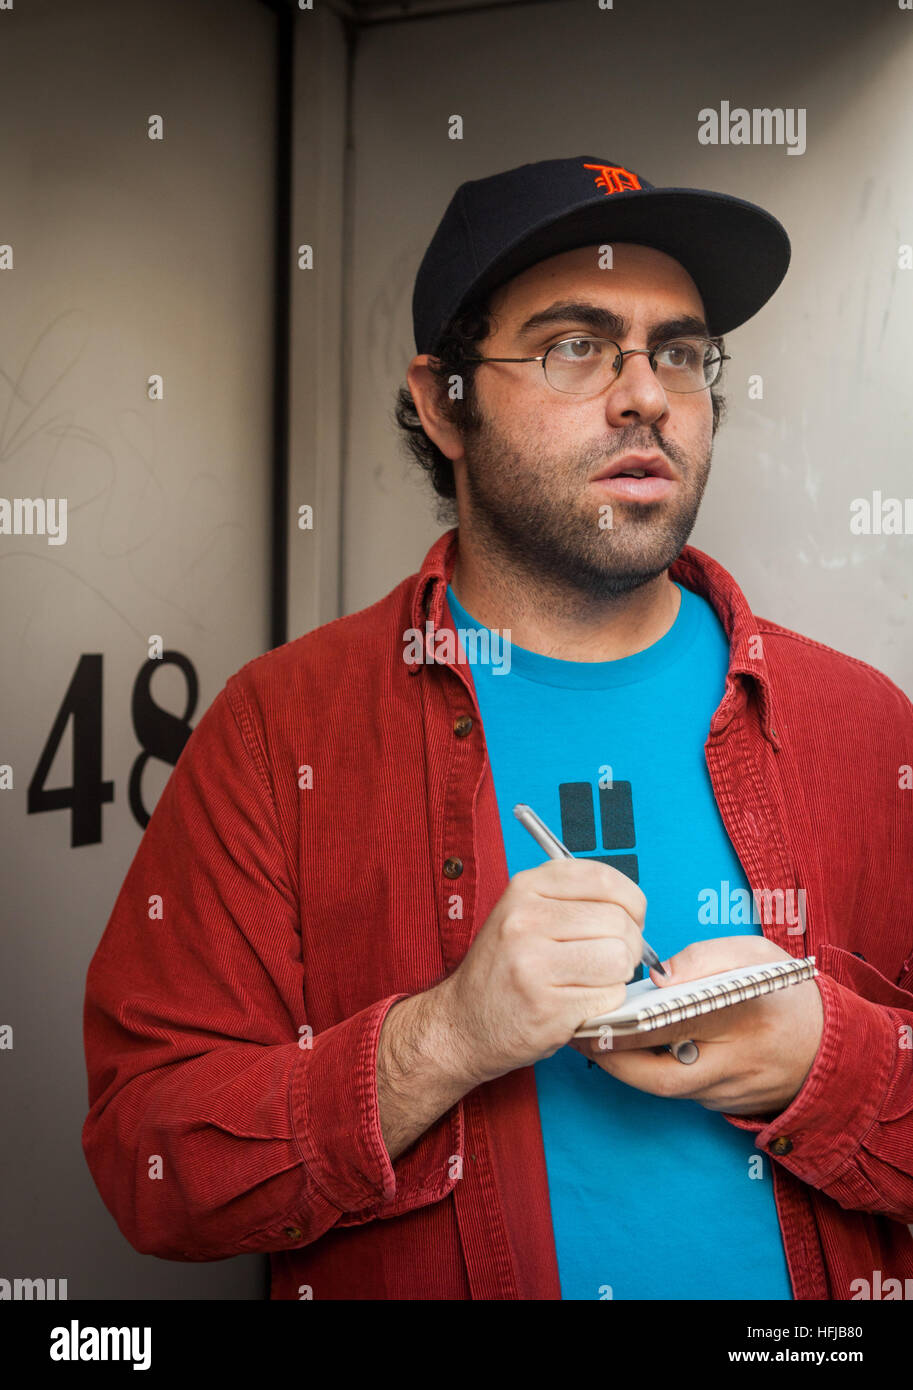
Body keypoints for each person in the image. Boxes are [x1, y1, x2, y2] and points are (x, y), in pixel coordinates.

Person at [82, 155, 913, 1301]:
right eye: (575, 344)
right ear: (442, 403)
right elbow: (150, 1161)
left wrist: (831, 1060)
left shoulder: (865, 725)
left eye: (677, 352)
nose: (646, 395)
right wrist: (441, 1040)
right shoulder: (281, 731)